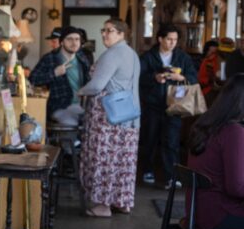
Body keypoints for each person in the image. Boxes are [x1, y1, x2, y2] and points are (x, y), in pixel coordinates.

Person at [188, 75, 244, 229]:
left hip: (198, 211)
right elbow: (236, 187)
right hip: (218, 215)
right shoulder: (233, 131)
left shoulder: (205, 125)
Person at [77, 18, 141, 217]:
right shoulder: (132, 54)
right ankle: (121, 202)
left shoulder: (112, 54)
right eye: (103, 30)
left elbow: (97, 86)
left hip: (107, 116)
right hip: (128, 115)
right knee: (122, 161)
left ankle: (103, 206)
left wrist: (80, 91)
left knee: (104, 159)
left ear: (121, 33)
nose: (104, 34)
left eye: (110, 30)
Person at [139, 22, 198, 188]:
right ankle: (148, 169)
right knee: (150, 139)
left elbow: (194, 78)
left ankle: (172, 176)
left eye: (175, 40)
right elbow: (138, 77)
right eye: (169, 39)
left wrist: (181, 78)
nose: (173, 43)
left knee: (171, 141)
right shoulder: (148, 57)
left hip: (175, 105)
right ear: (160, 39)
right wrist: (155, 77)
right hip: (152, 104)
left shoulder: (183, 57)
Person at [29, 25, 90, 123]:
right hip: (59, 107)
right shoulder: (50, 58)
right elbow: (33, 79)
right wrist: (54, 73)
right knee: (71, 123)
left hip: (81, 106)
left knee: (95, 121)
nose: (74, 43)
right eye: (69, 39)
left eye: (77, 39)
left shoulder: (82, 58)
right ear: (62, 42)